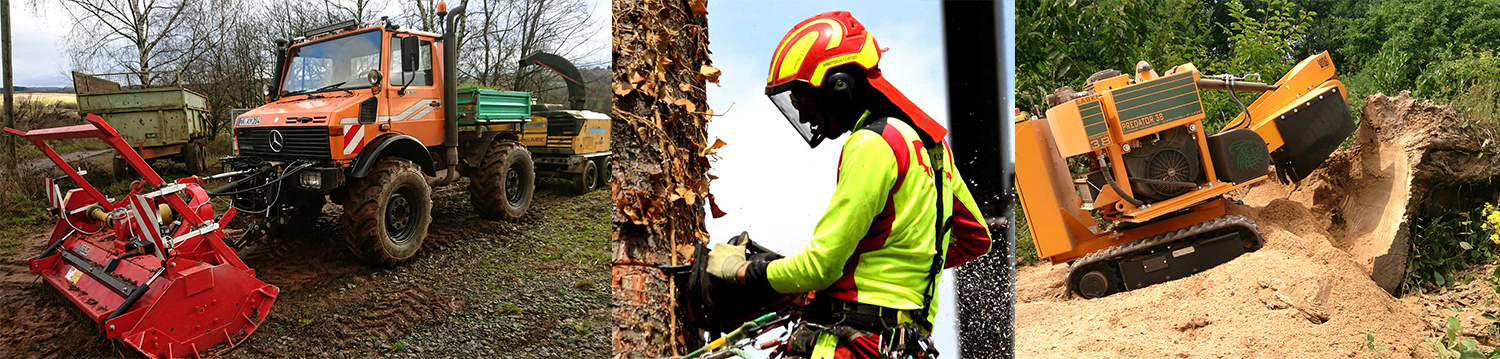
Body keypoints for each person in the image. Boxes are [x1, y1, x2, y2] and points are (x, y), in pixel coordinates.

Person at [705, 11, 992, 359]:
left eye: (803, 102)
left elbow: (820, 266)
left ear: (838, 85)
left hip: (851, 344)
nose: (805, 116)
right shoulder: (933, 148)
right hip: (902, 348)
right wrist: (897, 264)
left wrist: (741, 271)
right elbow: (975, 238)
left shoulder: (872, 143)